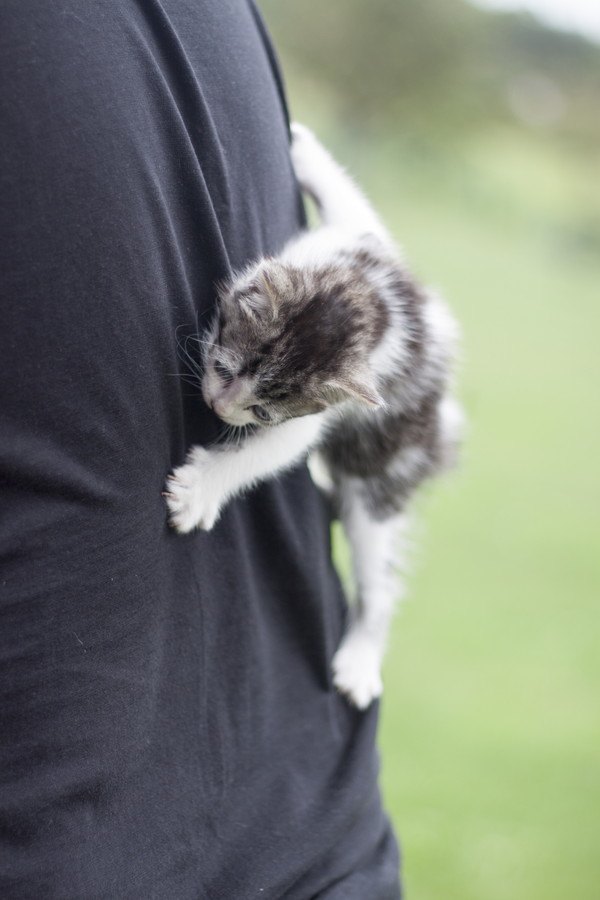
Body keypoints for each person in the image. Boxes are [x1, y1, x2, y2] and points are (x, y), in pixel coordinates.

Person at [0, 2, 401, 896]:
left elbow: (294, 423)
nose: (217, 401)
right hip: (321, 831)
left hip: (93, 847)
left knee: (372, 508)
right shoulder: (227, 21)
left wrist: (229, 456)